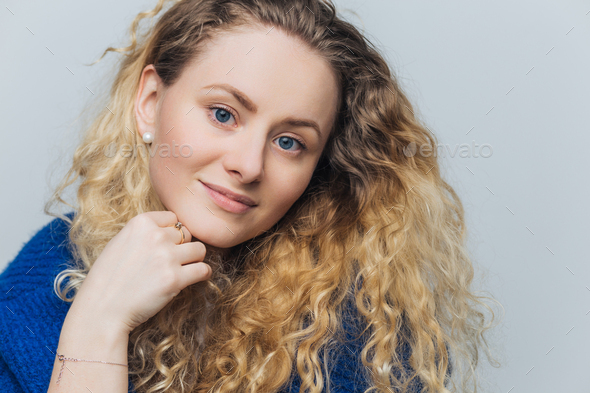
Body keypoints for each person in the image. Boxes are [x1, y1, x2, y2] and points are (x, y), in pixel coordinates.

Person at [0, 0, 500, 392]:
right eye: (223, 113)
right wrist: (96, 325)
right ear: (151, 104)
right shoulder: (38, 280)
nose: (249, 164)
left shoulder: (357, 334)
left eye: (290, 142)